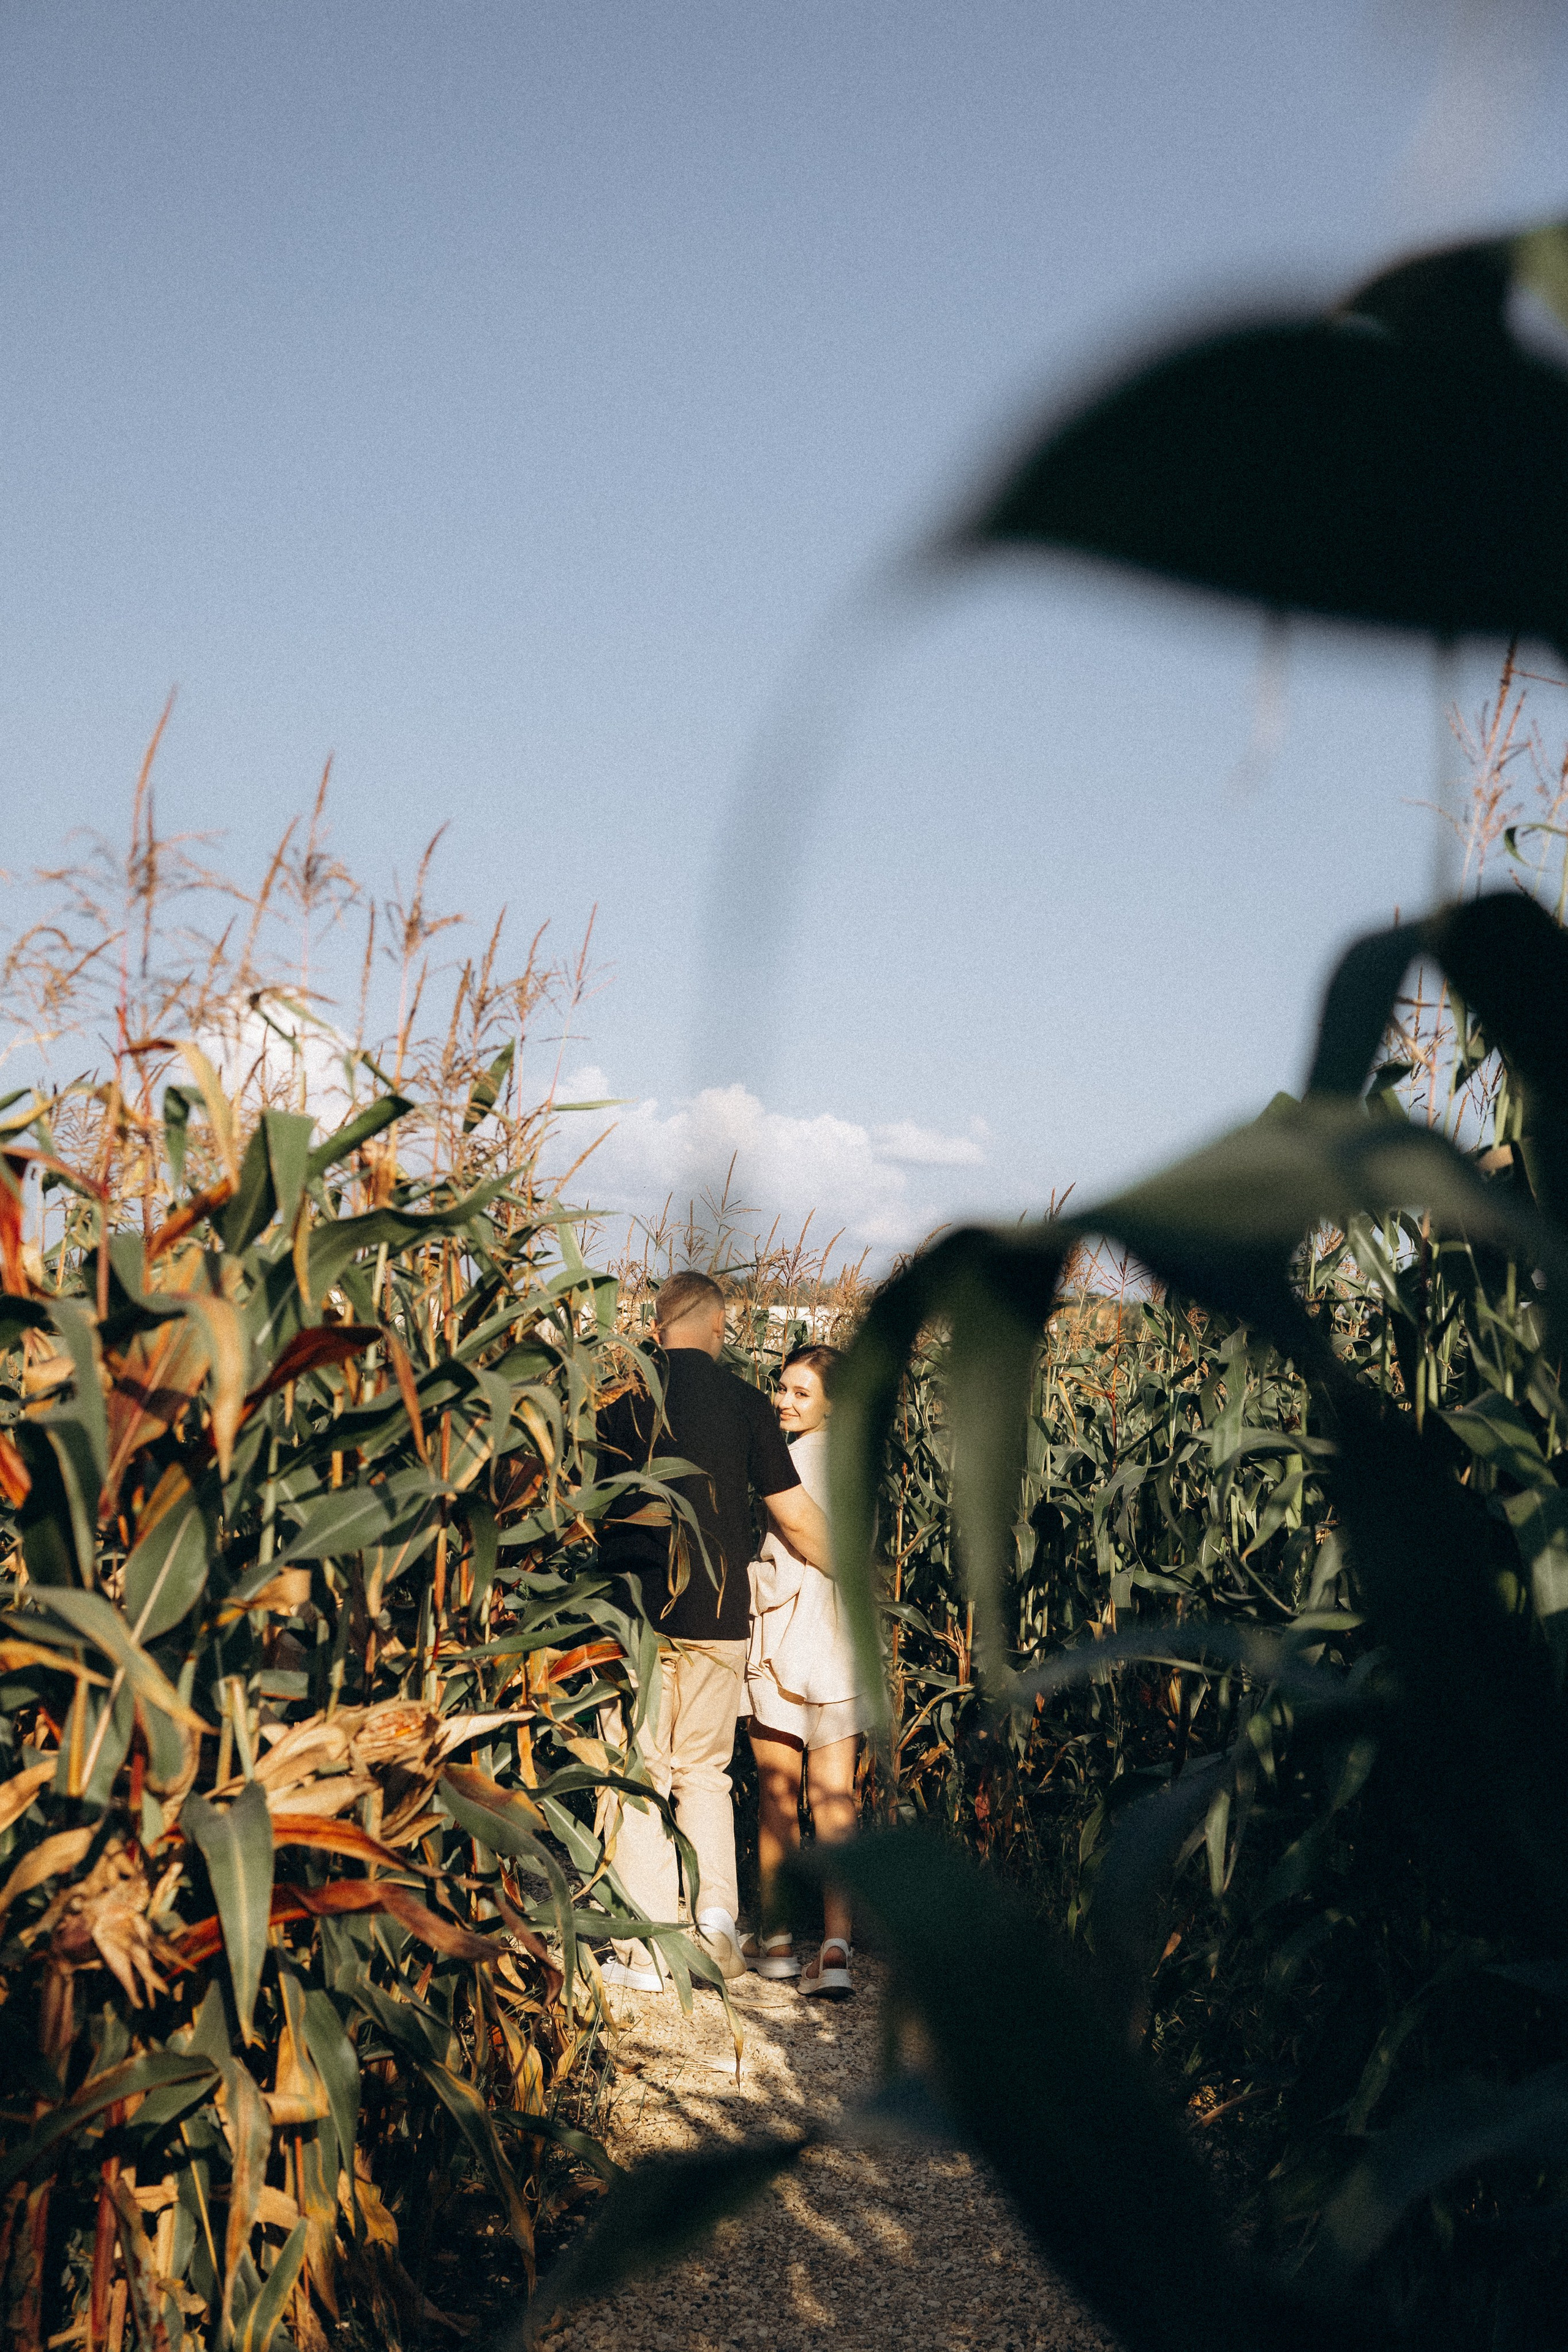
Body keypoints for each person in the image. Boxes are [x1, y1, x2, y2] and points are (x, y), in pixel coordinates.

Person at [594, 1270, 830, 1991]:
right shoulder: (748, 1403)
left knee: (637, 1774)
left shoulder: (619, 1400)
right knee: (704, 1774)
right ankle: (717, 1931)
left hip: (632, 1618)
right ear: (721, 1330)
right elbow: (794, 1517)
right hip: (720, 1619)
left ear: (655, 1327)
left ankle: (644, 1956)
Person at [742, 1343, 873, 1999]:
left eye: (801, 1393)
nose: (784, 1402)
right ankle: (836, 1948)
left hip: (788, 1644)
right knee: (834, 1800)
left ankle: (775, 1941)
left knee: (778, 1794)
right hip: (841, 1643)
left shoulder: (789, 1462)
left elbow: (786, 1565)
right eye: (782, 1388)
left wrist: (741, 1585)